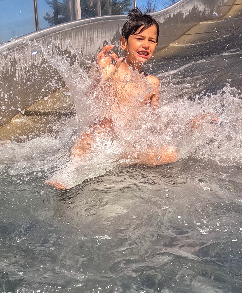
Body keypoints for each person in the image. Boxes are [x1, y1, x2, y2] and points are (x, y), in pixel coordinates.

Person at [47, 10, 211, 190]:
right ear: (123, 43)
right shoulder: (112, 69)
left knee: (170, 153)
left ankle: (120, 160)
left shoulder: (152, 83)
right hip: (104, 137)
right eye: (140, 38)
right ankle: (70, 171)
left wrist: (188, 125)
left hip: (127, 142)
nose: (146, 45)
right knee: (104, 123)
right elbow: (89, 96)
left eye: (152, 40)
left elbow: (155, 119)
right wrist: (102, 75)